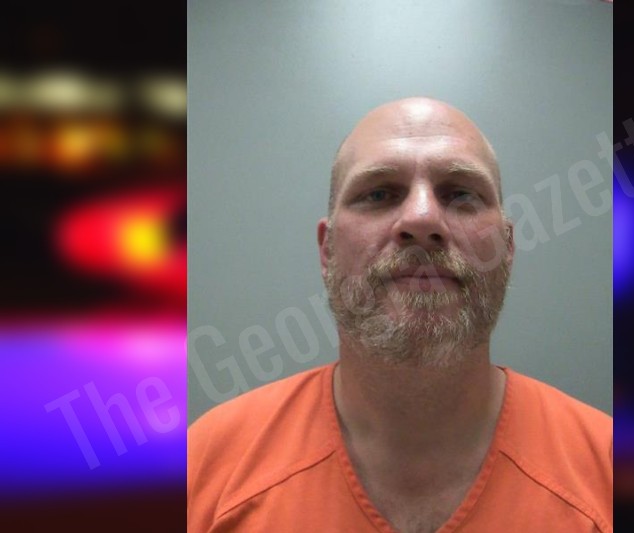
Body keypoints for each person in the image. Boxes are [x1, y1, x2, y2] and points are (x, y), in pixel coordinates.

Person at [187, 97, 612, 533]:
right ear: (327, 249)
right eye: (379, 194)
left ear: (507, 248)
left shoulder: (609, 474)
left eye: (461, 194)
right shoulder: (206, 467)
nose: (422, 218)